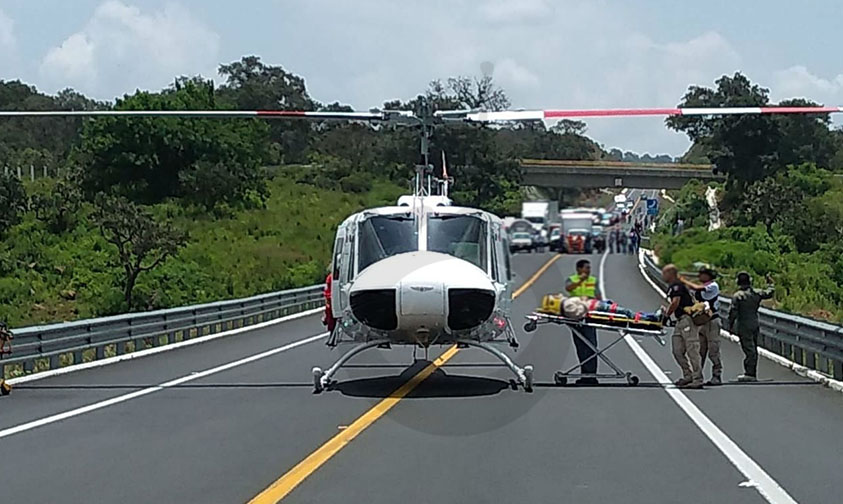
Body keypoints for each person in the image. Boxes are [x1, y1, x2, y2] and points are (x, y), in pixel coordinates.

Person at [728, 271, 775, 382]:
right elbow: (769, 292)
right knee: (753, 348)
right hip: (754, 323)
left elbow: (733, 312)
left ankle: (750, 373)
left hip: (743, 325)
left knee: (749, 349)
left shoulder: (738, 296)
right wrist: (770, 283)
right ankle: (752, 372)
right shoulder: (756, 293)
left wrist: (730, 325)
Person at [662, 264, 703, 388]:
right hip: (680, 320)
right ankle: (687, 375)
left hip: (687, 320)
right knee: (677, 350)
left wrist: (667, 315)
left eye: (665, 273)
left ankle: (698, 378)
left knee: (692, 349)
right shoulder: (673, 286)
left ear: (671, 274)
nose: (663, 276)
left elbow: (675, 302)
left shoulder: (677, 286)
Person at [681, 267, 722, 385]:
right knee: (699, 351)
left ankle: (717, 375)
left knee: (713, 349)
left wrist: (684, 280)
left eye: (702, 274)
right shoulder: (702, 287)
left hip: (712, 321)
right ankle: (697, 376)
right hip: (701, 321)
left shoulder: (713, 286)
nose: (699, 276)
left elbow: (697, 288)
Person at [565, 259, 602, 384]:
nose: (588, 270)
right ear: (579, 269)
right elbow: (569, 288)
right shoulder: (572, 279)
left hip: (590, 317)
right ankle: (585, 374)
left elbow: (598, 297)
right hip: (576, 317)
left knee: (591, 346)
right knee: (581, 347)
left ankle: (591, 375)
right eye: (586, 268)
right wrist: (580, 280)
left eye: (589, 268)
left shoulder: (593, 281)